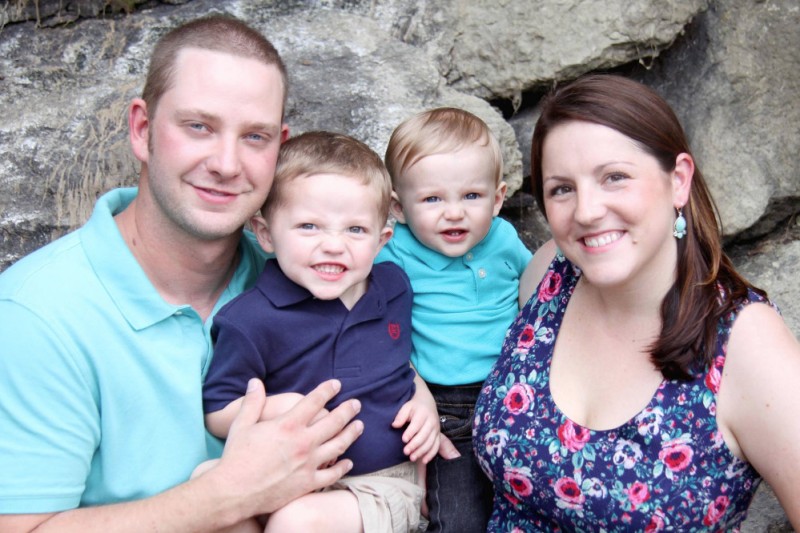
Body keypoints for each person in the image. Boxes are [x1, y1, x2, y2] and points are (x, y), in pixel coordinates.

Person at [0, 15, 364, 532]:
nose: (226, 163)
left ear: (280, 149)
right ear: (142, 129)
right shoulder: (36, 316)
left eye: (255, 136)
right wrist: (228, 494)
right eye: (199, 127)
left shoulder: (311, 275)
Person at [473, 74, 800, 531]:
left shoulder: (748, 345)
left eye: (614, 177)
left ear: (678, 180)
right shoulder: (548, 275)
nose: (586, 211)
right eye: (562, 188)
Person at [201, 131, 441, 532]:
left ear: (381, 239)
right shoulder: (250, 320)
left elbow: (399, 362)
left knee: (298, 521)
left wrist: (424, 401)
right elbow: (217, 411)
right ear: (265, 233)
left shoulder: (392, 288)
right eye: (309, 226)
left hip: (380, 481)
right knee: (205, 486)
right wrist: (281, 407)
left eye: (355, 230)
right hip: (285, 475)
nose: (333, 245)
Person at [378, 107, 534, 532]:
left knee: (527, 504)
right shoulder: (394, 255)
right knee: (461, 517)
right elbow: (375, 332)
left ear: (497, 199)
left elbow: (542, 291)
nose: (454, 213)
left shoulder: (503, 239)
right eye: (432, 199)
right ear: (399, 207)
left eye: (471, 196)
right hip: (443, 406)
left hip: (515, 394)